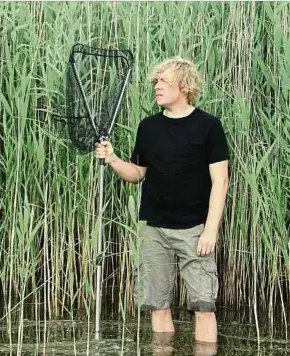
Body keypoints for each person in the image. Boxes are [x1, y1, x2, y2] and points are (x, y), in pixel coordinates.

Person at [95, 57, 229, 343]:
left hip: (195, 229)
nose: (156, 86)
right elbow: (137, 174)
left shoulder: (209, 126)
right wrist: (113, 159)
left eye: (163, 81)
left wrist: (210, 230)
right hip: (153, 228)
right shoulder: (148, 128)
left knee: (204, 305)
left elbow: (221, 181)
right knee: (158, 305)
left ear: (183, 85)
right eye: (155, 81)